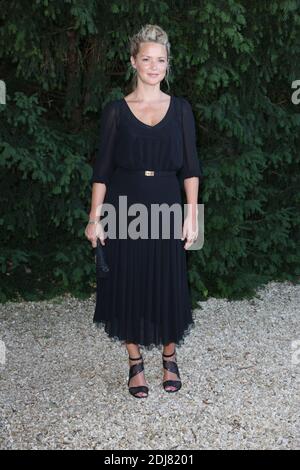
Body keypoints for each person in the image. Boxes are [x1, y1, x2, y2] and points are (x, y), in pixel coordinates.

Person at [85, 24, 202, 398]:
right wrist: (94, 217)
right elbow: (102, 168)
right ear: (134, 61)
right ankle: (135, 362)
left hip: (167, 203)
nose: (154, 67)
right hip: (123, 205)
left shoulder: (181, 109)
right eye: (147, 59)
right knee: (127, 280)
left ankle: (170, 356)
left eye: (161, 60)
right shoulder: (117, 111)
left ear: (168, 64)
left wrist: (192, 215)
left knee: (168, 278)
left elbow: (192, 167)